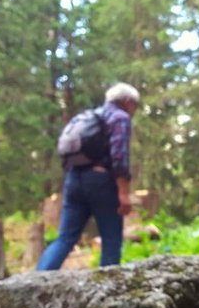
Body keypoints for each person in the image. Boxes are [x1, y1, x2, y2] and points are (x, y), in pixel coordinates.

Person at [37, 83, 139, 270]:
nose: (135, 111)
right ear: (127, 102)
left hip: (73, 179)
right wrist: (123, 193)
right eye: (135, 106)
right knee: (111, 239)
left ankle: (33, 282)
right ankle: (108, 290)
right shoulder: (120, 118)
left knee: (65, 238)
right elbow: (119, 157)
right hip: (101, 182)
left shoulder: (87, 117)